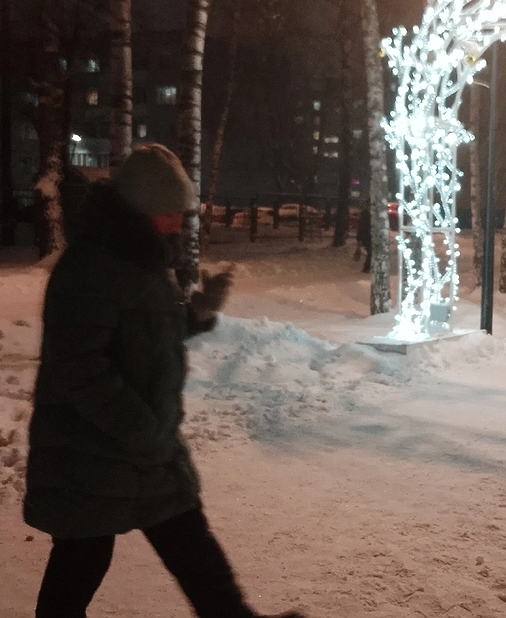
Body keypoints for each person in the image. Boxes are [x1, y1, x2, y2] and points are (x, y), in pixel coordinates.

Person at [24, 144, 304, 618]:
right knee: (85, 555)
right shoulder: (90, 268)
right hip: (92, 450)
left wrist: (194, 313)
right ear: (139, 208)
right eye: (169, 211)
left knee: (186, 542)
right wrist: (143, 430)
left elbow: (144, 333)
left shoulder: (138, 261)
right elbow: (78, 367)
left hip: (134, 446)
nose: (177, 221)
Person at [356, 204, 372, 274]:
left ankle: (367, 267)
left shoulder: (366, 214)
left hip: (367, 236)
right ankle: (367, 267)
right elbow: (362, 227)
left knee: (371, 252)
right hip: (366, 236)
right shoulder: (366, 215)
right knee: (371, 252)